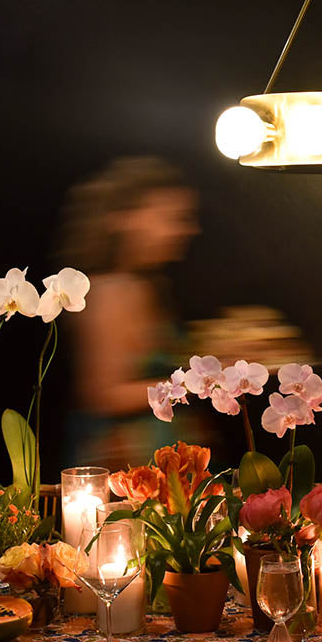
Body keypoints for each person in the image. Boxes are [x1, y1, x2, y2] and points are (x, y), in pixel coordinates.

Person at [57, 157, 200, 471]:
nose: (185, 230)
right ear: (124, 218)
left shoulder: (147, 284)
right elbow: (104, 394)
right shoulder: (108, 292)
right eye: (171, 217)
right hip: (124, 461)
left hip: (159, 452)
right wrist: (200, 383)